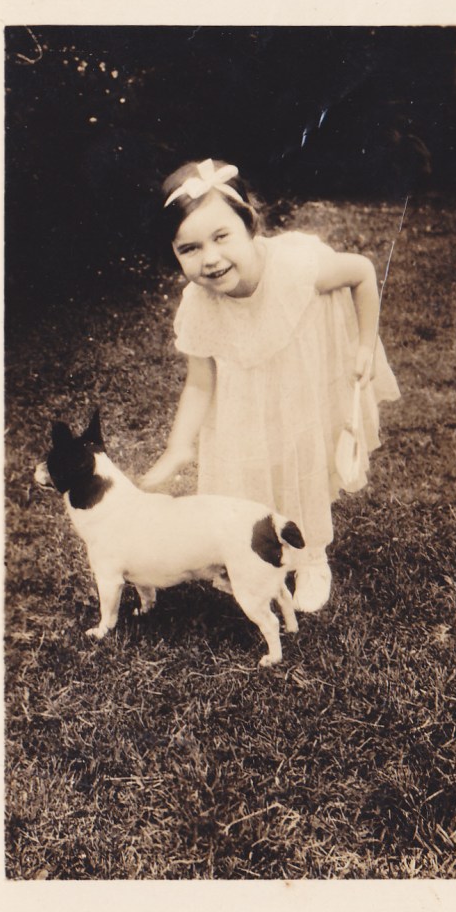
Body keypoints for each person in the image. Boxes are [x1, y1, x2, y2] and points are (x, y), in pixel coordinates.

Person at [141, 158, 400, 612]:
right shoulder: (199, 304)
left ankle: (312, 558)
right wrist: (179, 447)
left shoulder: (298, 268)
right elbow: (200, 384)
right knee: (251, 461)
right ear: (175, 253)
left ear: (250, 227)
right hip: (248, 384)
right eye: (190, 249)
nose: (211, 259)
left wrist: (363, 347)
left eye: (222, 237)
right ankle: (261, 552)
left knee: (303, 452)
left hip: (304, 356)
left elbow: (360, 271)